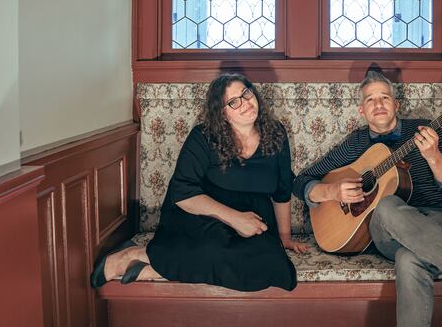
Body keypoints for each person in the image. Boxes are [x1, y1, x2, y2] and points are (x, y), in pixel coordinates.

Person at [293, 71, 442, 327]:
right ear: (361, 111)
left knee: (408, 260)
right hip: (387, 235)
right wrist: (332, 192)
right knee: (386, 205)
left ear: (396, 105)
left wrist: (433, 157)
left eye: (384, 97)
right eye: (370, 100)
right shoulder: (355, 144)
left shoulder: (425, 129)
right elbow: (301, 181)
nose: (378, 104)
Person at [91, 73, 308, 292]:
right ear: (222, 114)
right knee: (213, 249)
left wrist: (285, 237)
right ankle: (136, 254)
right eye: (234, 102)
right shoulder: (203, 136)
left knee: (275, 267)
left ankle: (152, 267)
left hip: (254, 217)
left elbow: (282, 190)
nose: (245, 103)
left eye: (246, 93)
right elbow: (183, 192)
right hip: (202, 213)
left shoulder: (276, 132)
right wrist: (234, 218)